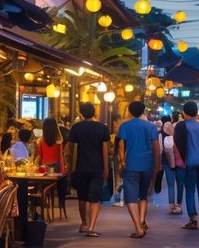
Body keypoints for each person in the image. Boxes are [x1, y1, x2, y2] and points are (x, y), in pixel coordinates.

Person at [116, 101, 161, 238]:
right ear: (143, 111)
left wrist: (122, 161)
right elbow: (156, 147)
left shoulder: (124, 126)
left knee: (130, 197)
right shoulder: (151, 127)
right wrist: (157, 165)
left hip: (131, 165)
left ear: (129, 111)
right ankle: (141, 221)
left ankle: (138, 228)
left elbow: (121, 146)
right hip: (147, 164)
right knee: (144, 195)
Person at [66, 101, 110, 237]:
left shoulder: (76, 128)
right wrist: (106, 167)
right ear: (95, 113)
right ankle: (92, 227)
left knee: (82, 198)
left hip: (80, 168)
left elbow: (70, 150)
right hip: (97, 168)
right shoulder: (102, 128)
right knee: (94, 198)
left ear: (81, 114)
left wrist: (69, 169)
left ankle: (84, 223)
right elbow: (105, 149)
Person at [177, 102, 199, 230]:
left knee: (190, 190)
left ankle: (192, 218)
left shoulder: (182, 125)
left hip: (188, 161)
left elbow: (179, 144)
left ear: (184, 112)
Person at [38, 117, 68, 209]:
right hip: (56, 171)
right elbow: (60, 159)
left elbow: (39, 157)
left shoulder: (40, 141)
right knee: (63, 179)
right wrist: (63, 172)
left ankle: (43, 199)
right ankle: (61, 202)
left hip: (45, 171)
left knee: (40, 183)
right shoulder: (59, 142)